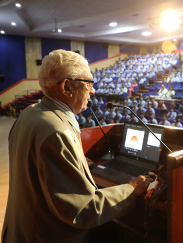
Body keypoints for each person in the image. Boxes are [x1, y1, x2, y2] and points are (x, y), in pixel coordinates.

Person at [2, 49, 152, 243]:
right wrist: (130, 189)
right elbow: (82, 210)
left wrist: (77, 163)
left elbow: (40, 171)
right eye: (88, 82)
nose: (93, 90)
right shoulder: (56, 131)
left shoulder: (29, 114)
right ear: (67, 87)